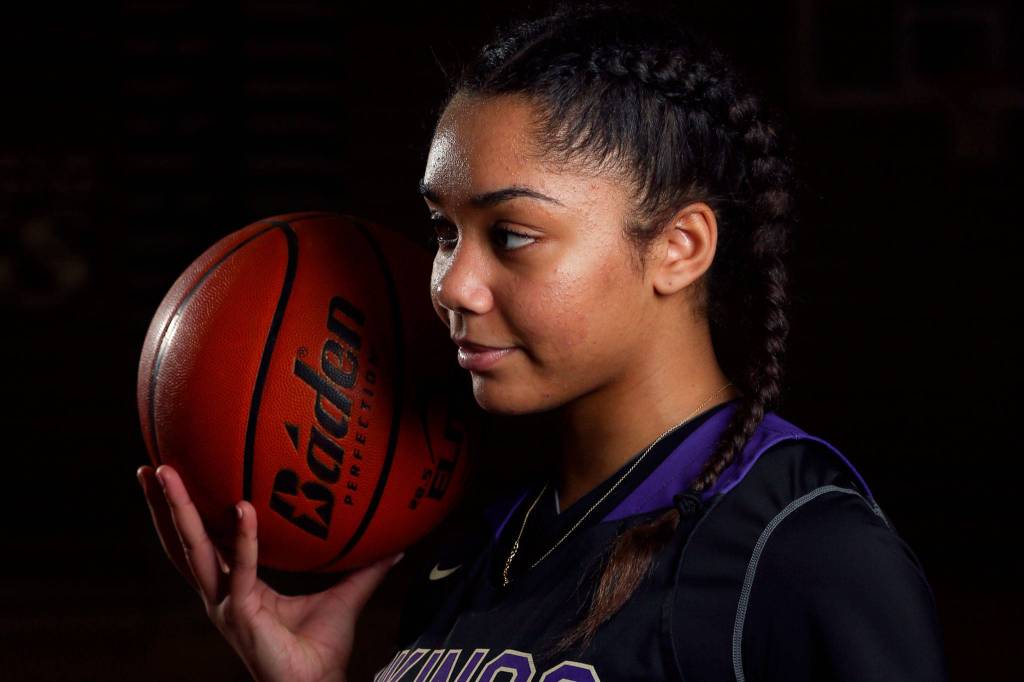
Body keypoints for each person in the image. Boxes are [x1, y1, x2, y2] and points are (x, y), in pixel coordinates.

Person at [138, 2, 950, 681]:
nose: (452, 284)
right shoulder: (474, 547)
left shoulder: (805, 552)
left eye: (513, 234)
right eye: (444, 231)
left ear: (680, 247)